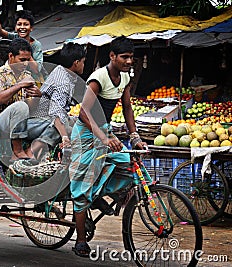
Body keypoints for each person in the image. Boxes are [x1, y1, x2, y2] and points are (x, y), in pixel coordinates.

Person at [69, 36, 147, 257]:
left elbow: (128, 108)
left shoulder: (124, 78)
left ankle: (101, 197)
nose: (129, 61)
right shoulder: (98, 78)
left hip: (105, 130)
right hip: (85, 135)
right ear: (112, 56)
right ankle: (81, 241)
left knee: (129, 164)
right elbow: (83, 113)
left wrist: (135, 136)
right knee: (81, 188)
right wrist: (102, 138)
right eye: (124, 57)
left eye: (131, 57)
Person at [26, 42, 86, 158]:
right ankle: (30, 154)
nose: (84, 65)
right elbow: (56, 113)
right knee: (64, 128)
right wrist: (65, 137)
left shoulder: (61, 70)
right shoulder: (63, 82)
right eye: (83, 62)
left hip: (46, 115)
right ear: (76, 63)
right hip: (41, 119)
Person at [0, 38, 41, 161]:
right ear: (11, 56)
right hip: (0, 123)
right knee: (20, 106)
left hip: (21, 123)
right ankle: (17, 150)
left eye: (28, 60)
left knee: (52, 121)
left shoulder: (26, 75)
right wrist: (19, 85)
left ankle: (31, 152)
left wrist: (38, 96)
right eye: (22, 60)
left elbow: (31, 108)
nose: (25, 64)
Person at [0, 0, 43, 74]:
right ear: (15, 27)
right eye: (19, 24)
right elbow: (0, 31)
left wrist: (26, 53)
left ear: (31, 28)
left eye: (25, 24)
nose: (22, 27)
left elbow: (37, 70)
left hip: (33, 79)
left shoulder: (36, 45)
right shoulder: (15, 37)